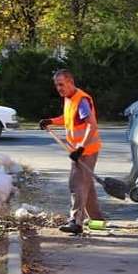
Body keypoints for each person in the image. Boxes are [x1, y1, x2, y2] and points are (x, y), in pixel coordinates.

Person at [39, 69, 103, 234]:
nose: (58, 88)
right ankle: (97, 221)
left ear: (70, 82)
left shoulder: (81, 100)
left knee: (76, 185)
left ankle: (76, 221)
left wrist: (81, 147)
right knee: (86, 185)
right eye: (56, 85)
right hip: (80, 150)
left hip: (85, 150)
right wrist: (51, 121)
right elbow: (68, 118)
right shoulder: (70, 99)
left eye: (61, 84)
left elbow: (91, 125)